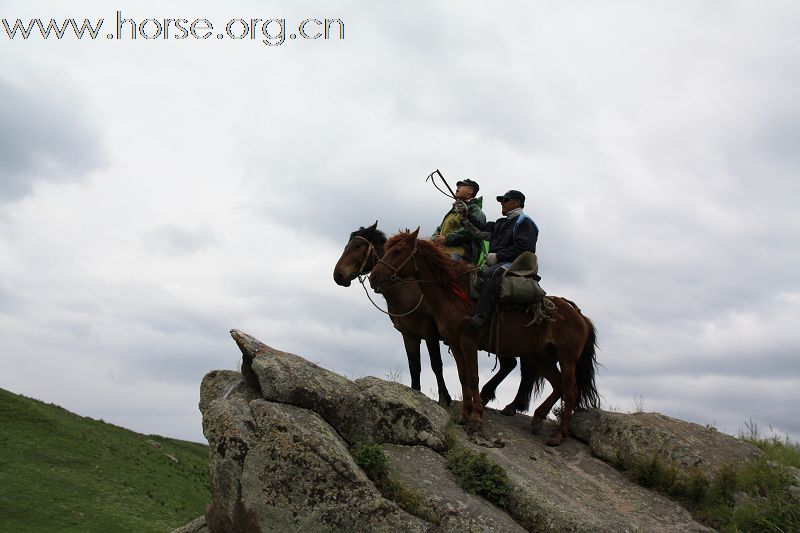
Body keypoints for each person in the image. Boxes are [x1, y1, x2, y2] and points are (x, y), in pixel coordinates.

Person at [458, 189, 539, 329]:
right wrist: (466, 213)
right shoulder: (501, 223)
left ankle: (481, 318)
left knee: (492, 273)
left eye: (505, 200)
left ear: (517, 203)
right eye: (501, 200)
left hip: (517, 263)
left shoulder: (525, 222)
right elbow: (481, 228)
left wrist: (498, 256)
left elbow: (524, 248)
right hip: (500, 262)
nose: (502, 203)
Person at [431, 179, 486, 263]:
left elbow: (473, 231)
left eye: (461, 186)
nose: (457, 187)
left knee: (449, 267)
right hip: (441, 249)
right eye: (457, 186)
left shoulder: (475, 210)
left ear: (470, 191)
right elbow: (440, 228)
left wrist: (447, 239)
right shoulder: (454, 210)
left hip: (461, 252)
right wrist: (435, 239)